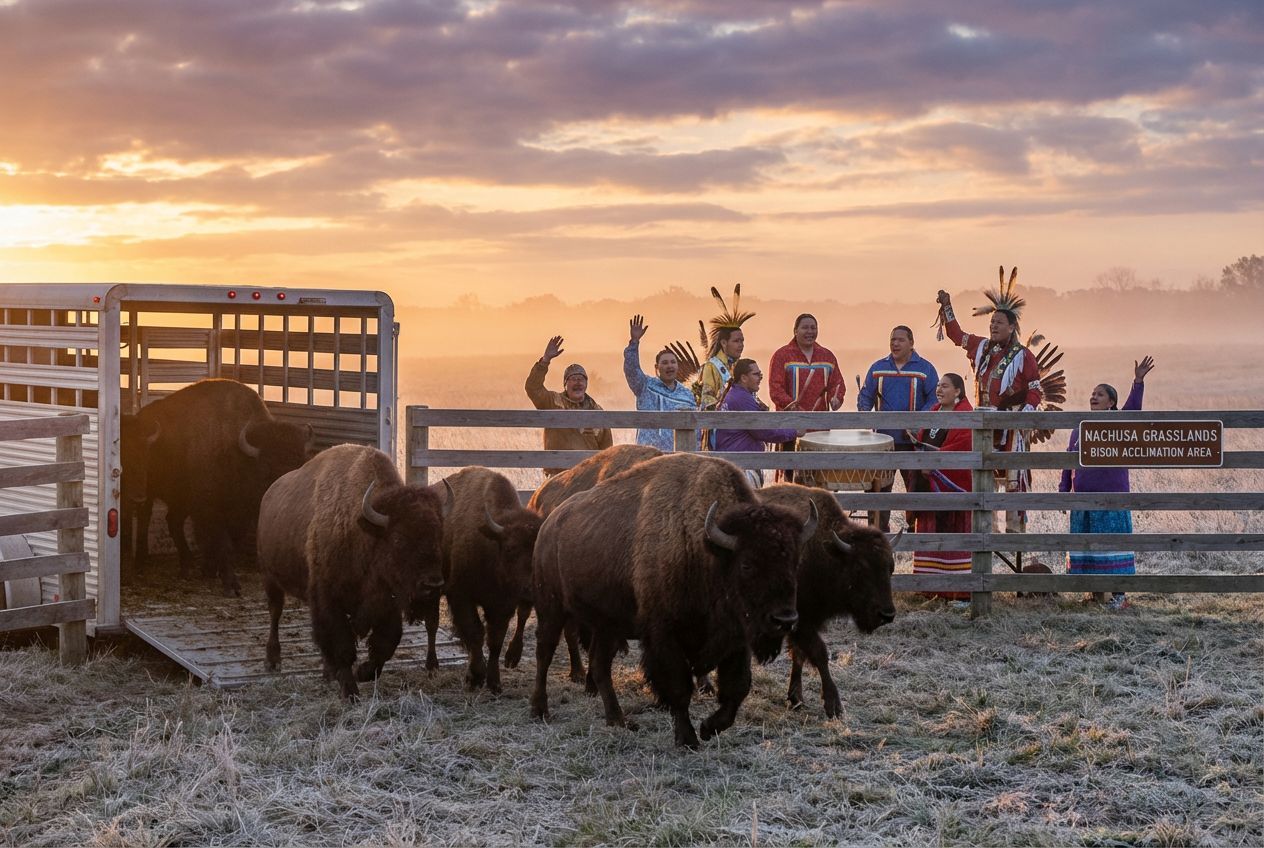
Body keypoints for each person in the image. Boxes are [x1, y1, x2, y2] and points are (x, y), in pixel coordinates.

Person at [1060, 356, 1156, 610]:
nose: (1094, 397)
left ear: (1111, 403)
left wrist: (1137, 381)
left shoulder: (1119, 424)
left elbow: (1133, 410)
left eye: (1100, 394)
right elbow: (1068, 460)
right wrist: (1063, 491)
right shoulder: (1079, 428)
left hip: (1112, 498)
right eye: (1093, 394)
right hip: (1083, 500)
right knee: (1089, 548)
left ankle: (1119, 596)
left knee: (1113, 548)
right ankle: (1094, 595)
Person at [858, 325, 940, 532]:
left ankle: (916, 531)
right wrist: (864, 410)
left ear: (911, 343)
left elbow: (934, 400)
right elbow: (866, 395)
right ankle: (878, 532)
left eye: (900, 340)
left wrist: (916, 422)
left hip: (913, 443)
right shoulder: (878, 368)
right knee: (879, 489)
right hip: (882, 442)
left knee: (915, 489)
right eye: (892, 339)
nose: (895, 344)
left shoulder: (926, 369)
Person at [908, 374, 974, 599]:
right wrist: (921, 454)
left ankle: (956, 590)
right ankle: (929, 588)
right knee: (929, 531)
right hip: (928, 483)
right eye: (938, 386)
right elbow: (921, 440)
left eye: (945, 386)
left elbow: (964, 445)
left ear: (957, 391)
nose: (939, 390)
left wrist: (935, 463)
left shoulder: (966, 415)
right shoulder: (933, 412)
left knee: (952, 536)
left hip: (950, 485)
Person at [769, 313, 844, 482]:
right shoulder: (782, 355)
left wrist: (836, 398)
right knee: (791, 478)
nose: (810, 332)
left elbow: (837, 383)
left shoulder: (827, 356)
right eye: (805, 328)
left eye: (813, 328)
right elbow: (775, 389)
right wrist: (795, 407)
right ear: (795, 331)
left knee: (819, 478)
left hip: (820, 428)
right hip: (791, 426)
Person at [524, 335, 613, 476]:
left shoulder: (597, 411)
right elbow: (532, 388)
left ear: (586, 384)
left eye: (581, 379)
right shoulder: (553, 402)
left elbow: (607, 449)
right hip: (558, 474)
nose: (577, 382)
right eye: (573, 379)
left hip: (588, 476)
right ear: (565, 384)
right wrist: (545, 360)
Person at [713, 359, 801, 487]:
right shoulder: (741, 398)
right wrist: (794, 432)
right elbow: (763, 431)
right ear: (744, 378)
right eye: (756, 375)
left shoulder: (736, 394)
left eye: (760, 375)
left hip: (733, 463)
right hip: (740, 468)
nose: (760, 378)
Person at [623, 315, 698, 451]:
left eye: (673, 362)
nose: (669, 366)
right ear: (657, 367)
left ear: (677, 366)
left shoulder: (687, 395)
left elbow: (695, 429)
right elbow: (631, 370)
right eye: (665, 363)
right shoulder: (645, 386)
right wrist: (634, 342)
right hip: (647, 454)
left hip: (677, 456)